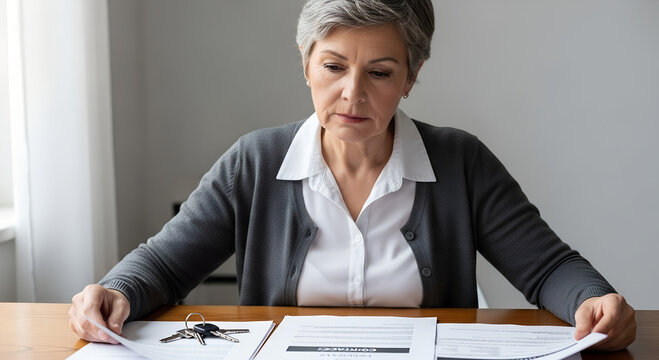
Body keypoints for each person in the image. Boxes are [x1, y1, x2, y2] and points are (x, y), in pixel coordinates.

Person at [69, 0, 636, 351]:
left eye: (381, 72)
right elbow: (165, 265)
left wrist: (595, 300)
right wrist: (115, 290)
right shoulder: (255, 162)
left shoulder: (462, 162)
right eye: (333, 67)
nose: (353, 94)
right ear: (305, 62)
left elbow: (549, 268)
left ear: (412, 76)